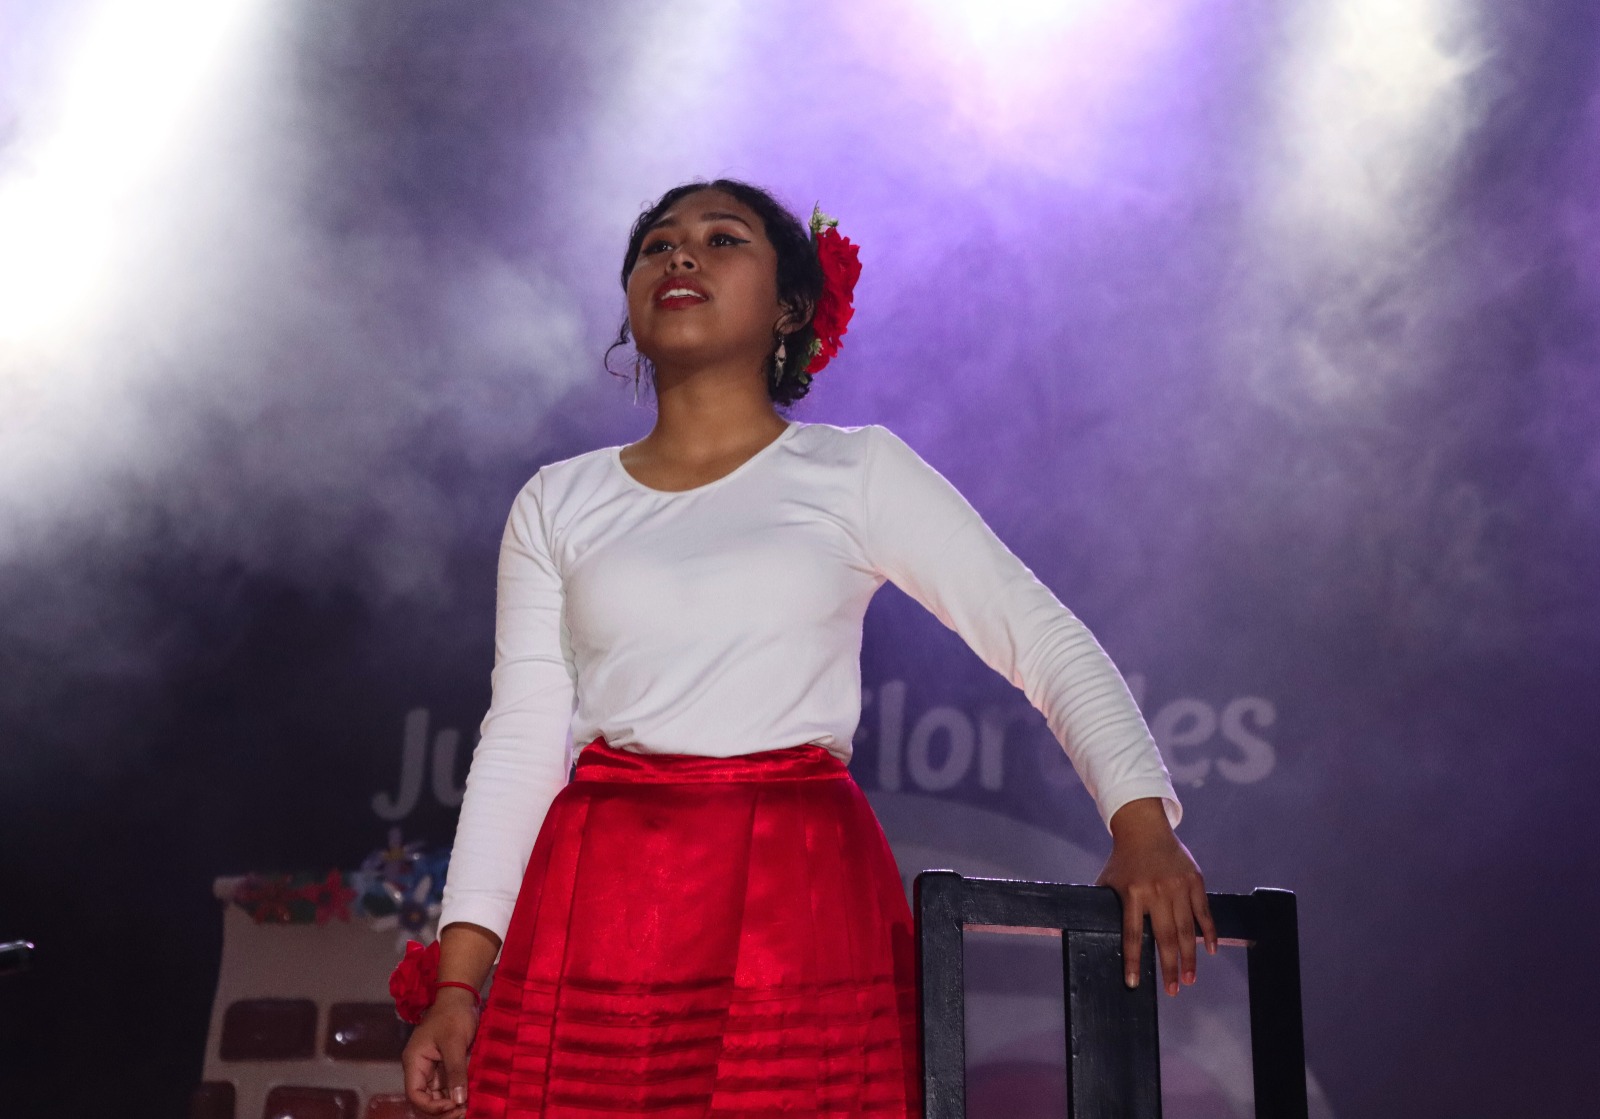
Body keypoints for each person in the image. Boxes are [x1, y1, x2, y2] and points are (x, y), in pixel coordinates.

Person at [399, 178, 1216, 1118]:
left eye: (722, 238)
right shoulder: (557, 500)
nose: (681, 254)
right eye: (658, 243)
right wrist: (457, 985)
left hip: (793, 897)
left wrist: (1141, 824)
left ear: (790, 307)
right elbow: (521, 739)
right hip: (604, 906)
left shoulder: (855, 471)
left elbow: (1040, 634)